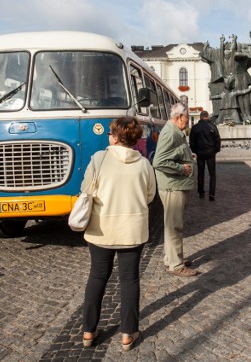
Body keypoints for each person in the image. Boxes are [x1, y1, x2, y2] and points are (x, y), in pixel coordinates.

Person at [81, 116, 156, 351]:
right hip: (131, 230)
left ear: (114, 136)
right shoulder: (143, 164)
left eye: (110, 133)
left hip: (101, 228)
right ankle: (127, 334)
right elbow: (150, 195)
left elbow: (86, 189)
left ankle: (88, 331)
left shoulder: (99, 159)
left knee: (97, 277)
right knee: (129, 279)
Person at [152, 103, 200, 277]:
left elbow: (173, 155)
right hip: (173, 186)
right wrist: (181, 169)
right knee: (175, 226)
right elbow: (158, 161)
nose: (188, 122)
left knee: (172, 225)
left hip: (175, 185)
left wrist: (187, 158)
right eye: (187, 118)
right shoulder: (171, 132)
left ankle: (171, 258)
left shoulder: (174, 131)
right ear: (179, 117)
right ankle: (175, 265)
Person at [189, 110, 221, 201]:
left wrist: (195, 151)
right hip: (211, 152)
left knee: (201, 172)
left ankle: (201, 192)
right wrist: (216, 150)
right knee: (212, 174)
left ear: (200, 117)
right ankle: (211, 194)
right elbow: (217, 139)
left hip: (200, 152)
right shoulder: (212, 126)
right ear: (207, 117)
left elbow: (192, 141)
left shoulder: (195, 127)